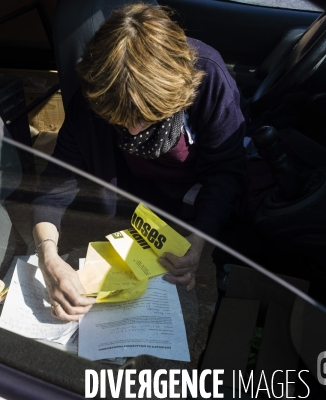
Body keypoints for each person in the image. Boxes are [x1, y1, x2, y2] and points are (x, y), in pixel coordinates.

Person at [32, 4, 246, 321]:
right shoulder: (92, 100)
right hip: (132, 212)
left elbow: (226, 173)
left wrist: (198, 242)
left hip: (199, 201)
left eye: (146, 119)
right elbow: (56, 185)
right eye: (120, 121)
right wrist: (48, 258)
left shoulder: (209, 77)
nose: (132, 130)